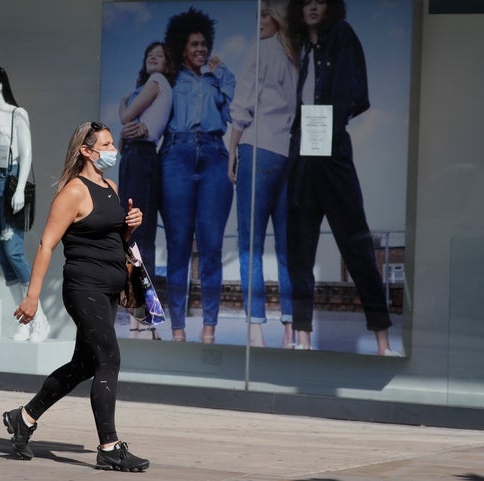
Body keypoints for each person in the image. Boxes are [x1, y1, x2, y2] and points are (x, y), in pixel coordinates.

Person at [2, 121, 149, 471]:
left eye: (114, 144)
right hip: (84, 289)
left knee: (84, 365)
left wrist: (131, 225)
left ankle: (24, 417)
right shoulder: (73, 192)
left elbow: (114, 240)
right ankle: (109, 446)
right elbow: (46, 244)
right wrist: (32, 297)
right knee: (108, 359)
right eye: (107, 145)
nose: (113, 150)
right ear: (87, 150)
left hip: (110, 288)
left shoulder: (110, 186)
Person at [286, 0, 399, 355]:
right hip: (302, 157)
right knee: (300, 250)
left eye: (321, 1)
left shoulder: (342, 37)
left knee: (356, 244)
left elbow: (358, 93)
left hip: (332, 152)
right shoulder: (304, 51)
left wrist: (333, 122)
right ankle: (303, 340)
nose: (314, 7)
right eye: (307, 2)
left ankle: (382, 340)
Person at [161, 7, 236, 343]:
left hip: (213, 156)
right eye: (194, 43)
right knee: (177, 245)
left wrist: (223, 73)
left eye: (204, 43)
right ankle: (177, 328)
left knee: (211, 245)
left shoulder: (216, 81)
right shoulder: (170, 80)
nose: (201, 48)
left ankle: (209, 327)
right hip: (175, 155)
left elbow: (240, 106)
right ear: (182, 47)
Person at [228, 0, 298, 348]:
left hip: (257, 150)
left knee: (250, 244)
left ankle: (255, 330)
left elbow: (243, 107)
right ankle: (290, 329)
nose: (259, 21)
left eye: (265, 14)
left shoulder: (261, 51)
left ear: (278, 17)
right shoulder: (298, 55)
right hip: (289, 153)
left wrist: (231, 151)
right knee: (286, 247)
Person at [0, 65, 50, 342]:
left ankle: (39, 317)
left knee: (14, 251)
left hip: (10, 178)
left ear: (1, 84)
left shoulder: (17, 114)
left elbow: (27, 154)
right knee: (3, 257)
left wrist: (19, 189)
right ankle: (25, 319)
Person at [117, 41, 174, 340]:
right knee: (134, 237)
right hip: (135, 157)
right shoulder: (151, 86)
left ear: (166, 64)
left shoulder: (157, 82)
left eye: (159, 55)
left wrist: (124, 104)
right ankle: (140, 315)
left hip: (141, 157)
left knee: (138, 237)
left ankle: (143, 316)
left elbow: (125, 118)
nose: (154, 58)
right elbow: (124, 134)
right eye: (149, 54)